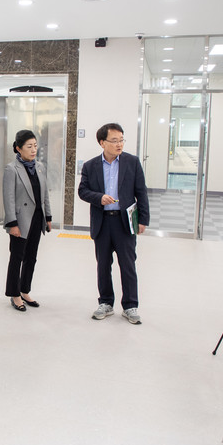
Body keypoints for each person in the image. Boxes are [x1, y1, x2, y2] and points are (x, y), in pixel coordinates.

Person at [78, 123, 150, 324]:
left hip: (124, 222)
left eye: (121, 140)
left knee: (128, 265)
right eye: (114, 140)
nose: (119, 144)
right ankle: (106, 303)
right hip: (102, 223)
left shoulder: (132, 162)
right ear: (102, 143)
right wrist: (99, 197)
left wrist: (143, 219)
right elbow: (82, 191)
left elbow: (141, 192)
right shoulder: (90, 166)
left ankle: (130, 306)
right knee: (103, 265)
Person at [2, 130, 52, 311]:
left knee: (31, 257)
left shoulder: (40, 167)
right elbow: (8, 198)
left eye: (35, 146)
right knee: (17, 257)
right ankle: (14, 294)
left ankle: (25, 290)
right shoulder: (11, 169)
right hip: (20, 220)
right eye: (29, 146)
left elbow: (44, 194)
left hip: (37, 218)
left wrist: (48, 217)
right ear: (18, 148)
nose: (33, 150)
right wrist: (12, 224)